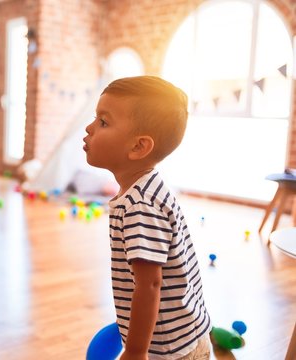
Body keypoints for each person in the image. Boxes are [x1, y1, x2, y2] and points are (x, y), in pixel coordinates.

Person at [83, 76, 211, 359]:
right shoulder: (144, 188)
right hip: (182, 333)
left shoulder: (140, 205)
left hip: (171, 349)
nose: (89, 128)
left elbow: (149, 284)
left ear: (139, 147)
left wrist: (135, 351)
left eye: (103, 122)